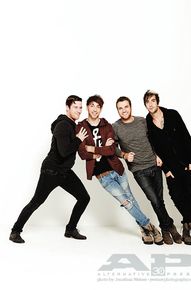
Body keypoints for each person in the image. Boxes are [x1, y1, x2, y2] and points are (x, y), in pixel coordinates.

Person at [77, 95, 163, 245]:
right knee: (126, 202)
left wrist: (94, 148)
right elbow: (83, 153)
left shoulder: (107, 126)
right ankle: (149, 225)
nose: (95, 109)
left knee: (130, 198)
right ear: (87, 107)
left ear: (101, 108)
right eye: (92, 106)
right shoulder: (81, 127)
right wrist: (98, 148)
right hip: (102, 175)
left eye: (98, 106)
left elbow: (111, 150)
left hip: (117, 169)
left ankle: (144, 230)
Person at [9, 95, 90, 243]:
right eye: (75, 107)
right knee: (36, 202)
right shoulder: (63, 125)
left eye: (80, 107)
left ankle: (70, 229)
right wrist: (78, 139)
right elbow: (64, 151)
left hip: (64, 172)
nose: (79, 110)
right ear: (67, 108)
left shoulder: (72, 125)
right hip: (51, 171)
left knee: (84, 198)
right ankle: (15, 231)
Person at [112, 96, 182, 245]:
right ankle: (169, 225)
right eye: (120, 108)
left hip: (154, 165)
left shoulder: (142, 121)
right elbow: (112, 147)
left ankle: (165, 228)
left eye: (126, 107)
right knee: (154, 200)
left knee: (160, 200)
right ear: (117, 110)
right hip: (138, 170)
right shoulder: (115, 127)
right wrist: (124, 155)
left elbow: (154, 139)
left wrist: (157, 155)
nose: (124, 110)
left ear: (130, 107)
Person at [144, 90, 191, 245]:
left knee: (187, 194)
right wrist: (166, 170)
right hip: (170, 166)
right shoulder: (147, 123)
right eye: (147, 102)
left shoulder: (172, 114)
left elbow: (186, 137)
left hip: (186, 162)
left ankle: (186, 228)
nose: (150, 104)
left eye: (152, 100)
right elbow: (154, 148)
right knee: (176, 195)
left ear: (158, 101)